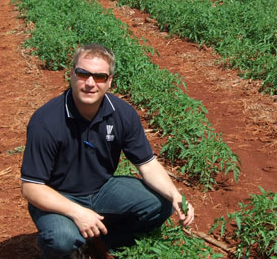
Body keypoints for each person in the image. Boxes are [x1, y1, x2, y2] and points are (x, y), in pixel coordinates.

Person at [20, 43, 194, 259]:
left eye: (100, 77)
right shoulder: (46, 121)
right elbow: (32, 188)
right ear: (72, 74)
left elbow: (147, 164)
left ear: (109, 81)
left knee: (161, 204)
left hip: (102, 190)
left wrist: (175, 195)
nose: (90, 83)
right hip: (59, 195)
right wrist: (78, 212)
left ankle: (103, 241)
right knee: (61, 240)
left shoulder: (122, 114)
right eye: (83, 74)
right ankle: (71, 247)